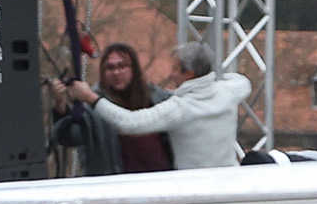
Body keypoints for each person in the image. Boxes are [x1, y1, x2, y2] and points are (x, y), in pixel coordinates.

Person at [67, 39, 250, 173]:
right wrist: (210, 82)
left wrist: (91, 98)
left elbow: (129, 123)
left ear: (189, 74)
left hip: (193, 189)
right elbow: (243, 81)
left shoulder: (178, 109)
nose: (171, 75)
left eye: (176, 70)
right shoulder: (230, 91)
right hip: (229, 181)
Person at [83, 42, 174, 176]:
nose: (116, 72)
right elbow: (72, 135)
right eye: (110, 68)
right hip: (116, 185)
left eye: (122, 66)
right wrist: (61, 108)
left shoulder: (156, 97)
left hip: (160, 181)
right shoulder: (92, 106)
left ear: (134, 69)